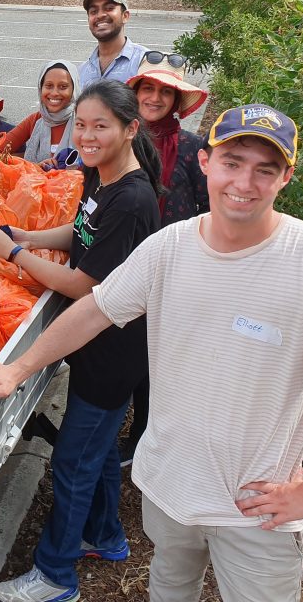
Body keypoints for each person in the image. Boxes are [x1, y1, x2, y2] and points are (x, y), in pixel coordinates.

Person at [0, 104, 303, 602]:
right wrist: (17, 369)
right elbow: (97, 308)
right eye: (233, 162)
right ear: (205, 162)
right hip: (167, 486)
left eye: (264, 170)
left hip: (254, 512)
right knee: (168, 587)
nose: (244, 183)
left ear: (286, 177)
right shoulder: (170, 247)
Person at [0, 79, 162, 602]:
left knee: (73, 462)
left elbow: (85, 284)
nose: (86, 134)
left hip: (113, 350)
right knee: (98, 453)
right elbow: (81, 234)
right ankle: (105, 537)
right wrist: (26, 237)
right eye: (81, 124)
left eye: (100, 125)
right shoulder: (100, 176)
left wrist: (10, 255)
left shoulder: (132, 197)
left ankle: (55, 576)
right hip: (98, 343)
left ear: (129, 129)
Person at [118, 51, 210, 466]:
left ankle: (145, 441)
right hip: (124, 261)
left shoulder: (191, 148)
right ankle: (126, 437)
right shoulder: (122, 140)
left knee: (161, 362)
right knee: (127, 350)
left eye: (165, 92)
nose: (154, 98)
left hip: (177, 269)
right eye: (148, 88)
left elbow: (210, 209)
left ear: (176, 101)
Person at [2, 60, 81, 165]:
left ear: (74, 90)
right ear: (41, 88)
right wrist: (32, 167)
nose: (54, 93)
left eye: (63, 87)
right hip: (36, 181)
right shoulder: (36, 120)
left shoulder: (84, 120)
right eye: (49, 86)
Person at [79, 0, 146, 88]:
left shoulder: (144, 63)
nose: (100, 15)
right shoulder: (81, 72)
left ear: (125, 16)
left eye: (109, 8)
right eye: (93, 11)